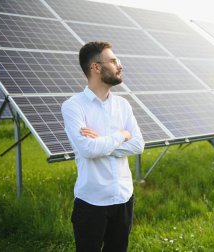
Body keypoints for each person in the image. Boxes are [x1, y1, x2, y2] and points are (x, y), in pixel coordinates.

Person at [61, 41, 145, 252]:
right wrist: (121, 135)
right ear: (96, 67)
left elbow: (138, 145)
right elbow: (88, 150)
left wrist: (102, 141)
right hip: (92, 202)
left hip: (123, 197)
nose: (120, 65)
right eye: (114, 60)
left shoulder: (123, 105)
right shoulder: (73, 106)